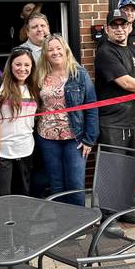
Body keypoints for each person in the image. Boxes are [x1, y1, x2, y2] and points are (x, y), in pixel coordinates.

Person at [36, 33, 98, 206]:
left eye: (58, 48)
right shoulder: (40, 74)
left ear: (65, 49)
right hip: (47, 137)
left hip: (75, 138)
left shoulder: (79, 74)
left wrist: (89, 139)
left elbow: (91, 107)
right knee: (56, 184)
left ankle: (79, 225)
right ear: (45, 54)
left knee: (75, 183)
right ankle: (62, 225)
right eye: (50, 50)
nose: (55, 52)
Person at [95, 9, 135, 150]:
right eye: (114, 26)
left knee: (132, 170)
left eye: (123, 25)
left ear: (129, 27)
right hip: (113, 126)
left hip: (133, 123)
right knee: (114, 170)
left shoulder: (131, 50)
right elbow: (127, 83)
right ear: (107, 29)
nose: (119, 29)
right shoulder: (106, 52)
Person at [0, 46, 40, 198]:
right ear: (10, 64)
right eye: (18, 64)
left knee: (22, 197)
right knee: (1, 198)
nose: (22, 69)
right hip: (1, 151)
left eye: (27, 65)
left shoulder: (34, 88)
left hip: (25, 150)